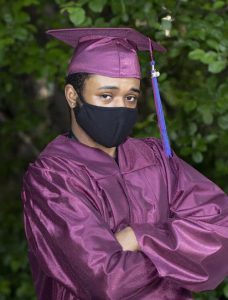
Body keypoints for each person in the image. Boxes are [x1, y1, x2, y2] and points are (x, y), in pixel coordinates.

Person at [21, 27, 228, 300]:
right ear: (72, 96)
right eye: (106, 96)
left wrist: (137, 237)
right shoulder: (52, 178)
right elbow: (107, 283)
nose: (120, 107)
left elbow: (221, 228)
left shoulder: (153, 158)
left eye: (130, 97)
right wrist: (180, 254)